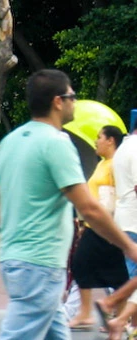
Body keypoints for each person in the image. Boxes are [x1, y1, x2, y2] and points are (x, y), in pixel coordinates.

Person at [0, 69, 137, 340]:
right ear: (58, 101)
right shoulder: (56, 143)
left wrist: (14, 235)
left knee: (57, 333)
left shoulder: (11, 141)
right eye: (72, 96)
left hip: (15, 257)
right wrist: (128, 246)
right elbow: (87, 207)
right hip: (40, 262)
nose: (74, 102)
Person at [68, 126, 128, 331]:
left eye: (99, 137)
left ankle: (93, 314)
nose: (96, 141)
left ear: (111, 140)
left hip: (106, 224)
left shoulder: (114, 164)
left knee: (82, 263)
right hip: (96, 224)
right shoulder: (103, 163)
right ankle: (116, 316)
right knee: (115, 271)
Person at [104, 122, 137, 339]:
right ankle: (119, 315)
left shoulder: (124, 148)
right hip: (134, 220)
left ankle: (125, 320)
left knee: (131, 276)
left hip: (124, 219)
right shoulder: (135, 149)